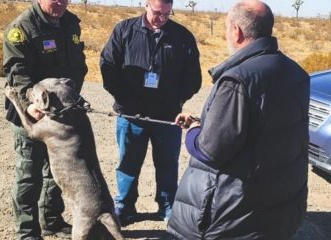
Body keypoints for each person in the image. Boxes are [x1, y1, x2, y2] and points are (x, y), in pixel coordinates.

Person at [167, 0, 310, 239]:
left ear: (237, 31)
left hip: (236, 215)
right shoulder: (295, 72)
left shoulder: (237, 80)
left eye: (226, 28)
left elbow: (210, 151)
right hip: (278, 205)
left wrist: (193, 130)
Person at [100, 0, 202, 226]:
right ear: (146, 5)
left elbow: (193, 77)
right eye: (157, 13)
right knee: (128, 162)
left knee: (167, 163)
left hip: (167, 117)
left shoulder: (182, 36)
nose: (162, 18)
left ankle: (167, 206)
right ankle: (124, 207)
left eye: (167, 13)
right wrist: (123, 98)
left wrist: (176, 100)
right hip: (130, 115)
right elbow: (108, 65)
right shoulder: (124, 30)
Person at [3, 0, 88, 239]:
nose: (61, 2)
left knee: (56, 171)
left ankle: (51, 220)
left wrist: (71, 100)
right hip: (33, 112)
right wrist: (29, 105)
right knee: (29, 175)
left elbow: (77, 66)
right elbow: (17, 73)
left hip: (61, 116)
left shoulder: (70, 23)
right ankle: (27, 231)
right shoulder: (22, 28)